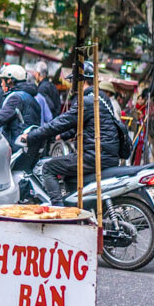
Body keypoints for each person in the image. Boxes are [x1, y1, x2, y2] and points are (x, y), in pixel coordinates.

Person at [21, 61, 120, 207]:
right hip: (108, 155)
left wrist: (32, 136)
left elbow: (60, 122)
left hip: (94, 157)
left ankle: (59, 209)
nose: (71, 86)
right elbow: (84, 124)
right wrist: (63, 135)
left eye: (73, 81)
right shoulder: (101, 98)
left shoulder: (86, 101)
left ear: (80, 81)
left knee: (48, 168)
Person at [0, 64, 41, 147]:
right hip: (27, 146)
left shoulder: (16, 98)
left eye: (2, 81)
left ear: (9, 81)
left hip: (16, 145)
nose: (1, 84)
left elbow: (0, 118)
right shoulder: (28, 95)